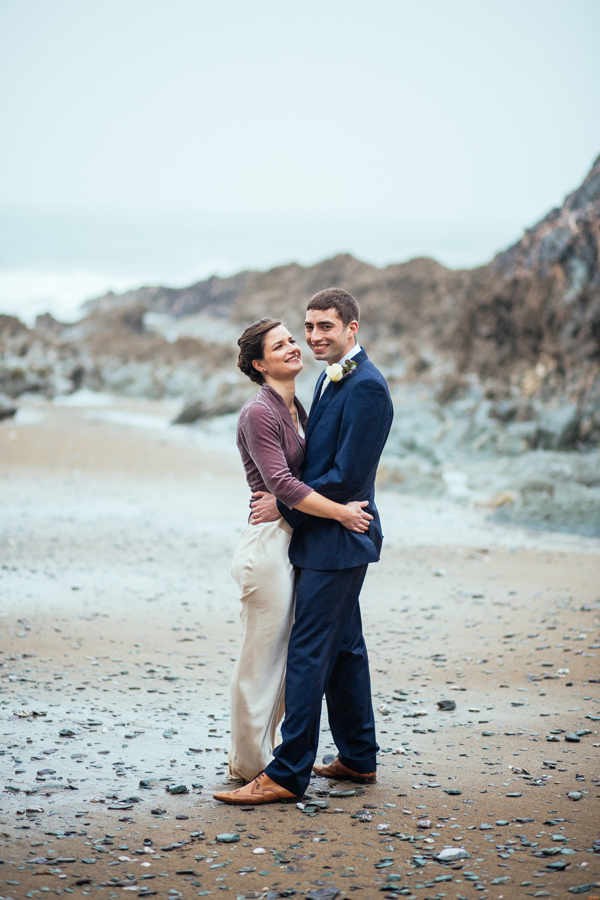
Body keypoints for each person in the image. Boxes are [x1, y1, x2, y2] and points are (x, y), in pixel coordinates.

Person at [214, 288, 393, 804]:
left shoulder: (367, 388)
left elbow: (347, 477)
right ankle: (359, 758)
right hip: (324, 536)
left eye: (325, 328)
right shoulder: (326, 378)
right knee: (344, 650)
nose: (314, 337)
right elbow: (314, 463)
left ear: (352, 328)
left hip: (339, 538)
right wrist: (286, 499)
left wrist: (284, 505)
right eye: (308, 327)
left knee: (308, 652)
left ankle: (287, 774)